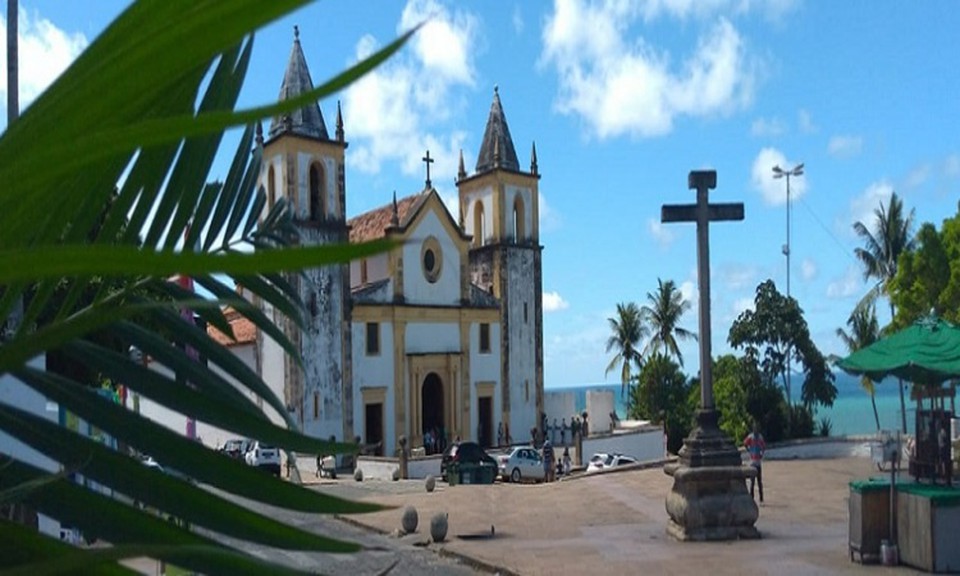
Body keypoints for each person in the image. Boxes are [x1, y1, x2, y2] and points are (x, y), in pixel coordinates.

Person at [743, 423, 766, 503]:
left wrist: (761, 454)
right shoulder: (751, 437)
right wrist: (749, 450)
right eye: (755, 428)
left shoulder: (760, 437)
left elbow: (763, 446)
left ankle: (761, 498)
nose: (756, 429)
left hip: (758, 462)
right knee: (752, 481)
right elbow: (745, 443)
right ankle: (752, 497)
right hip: (752, 462)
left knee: (759, 481)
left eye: (757, 428)